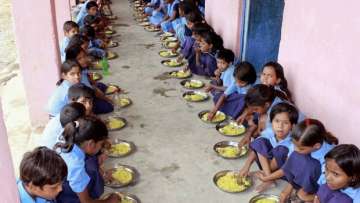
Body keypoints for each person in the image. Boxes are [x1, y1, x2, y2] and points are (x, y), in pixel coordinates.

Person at [55, 117, 120, 203]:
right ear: (91, 144)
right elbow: (86, 202)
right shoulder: (75, 165)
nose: (101, 147)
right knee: (92, 165)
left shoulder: (69, 134)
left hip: (63, 179)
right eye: (101, 144)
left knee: (92, 161)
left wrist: (103, 174)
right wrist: (108, 201)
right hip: (63, 197)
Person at [239, 103, 299, 192]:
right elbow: (257, 148)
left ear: (292, 126)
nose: (280, 126)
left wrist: (267, 178)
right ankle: (267, 175)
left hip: (283, 170)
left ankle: (268, 178)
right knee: (259, 141)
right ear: (271, 122)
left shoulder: (293, 142)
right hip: (267, 163)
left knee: (281, 150)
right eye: (277, 121)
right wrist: (246, 166)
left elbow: (287, 168)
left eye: (285, 123)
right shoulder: (270, 131)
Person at [279, 119, 338, 203]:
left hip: (325, 184)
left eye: (300, 148)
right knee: (296, 156)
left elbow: (328, 185)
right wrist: (286, 191)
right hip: (314, 176)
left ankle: (308, 192)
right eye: (294, 145)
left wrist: (310, 197)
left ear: (316, 146)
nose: (295, 149)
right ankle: (301, 188)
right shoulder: (303, 143)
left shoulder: (328, 157)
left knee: (308, 163)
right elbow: (291, 160)